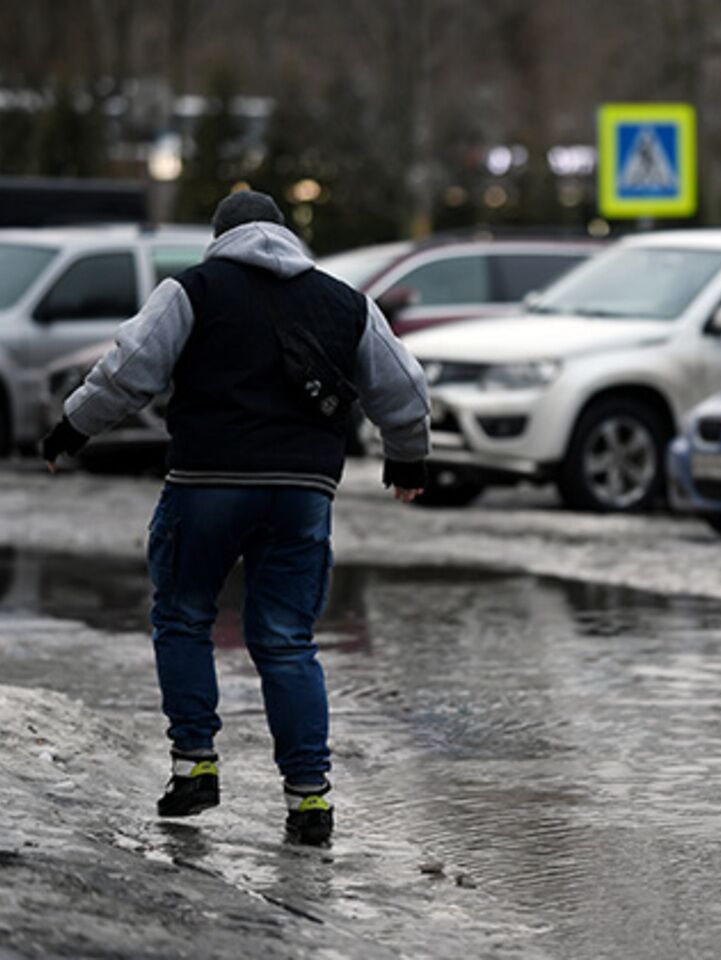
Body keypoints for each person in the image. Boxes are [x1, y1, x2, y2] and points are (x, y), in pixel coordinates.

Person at [41, 190, 431, 845]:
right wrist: (408, 460)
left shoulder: (192, 289)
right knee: (285, 640)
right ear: (285, 235)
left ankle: (195, 767)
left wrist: (72, 430)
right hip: (303, 491)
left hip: (206, 484)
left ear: (219, 238)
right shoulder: (345, 301)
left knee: (183, 616)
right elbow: (403, 387)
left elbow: (128, 373)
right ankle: (309, 802)